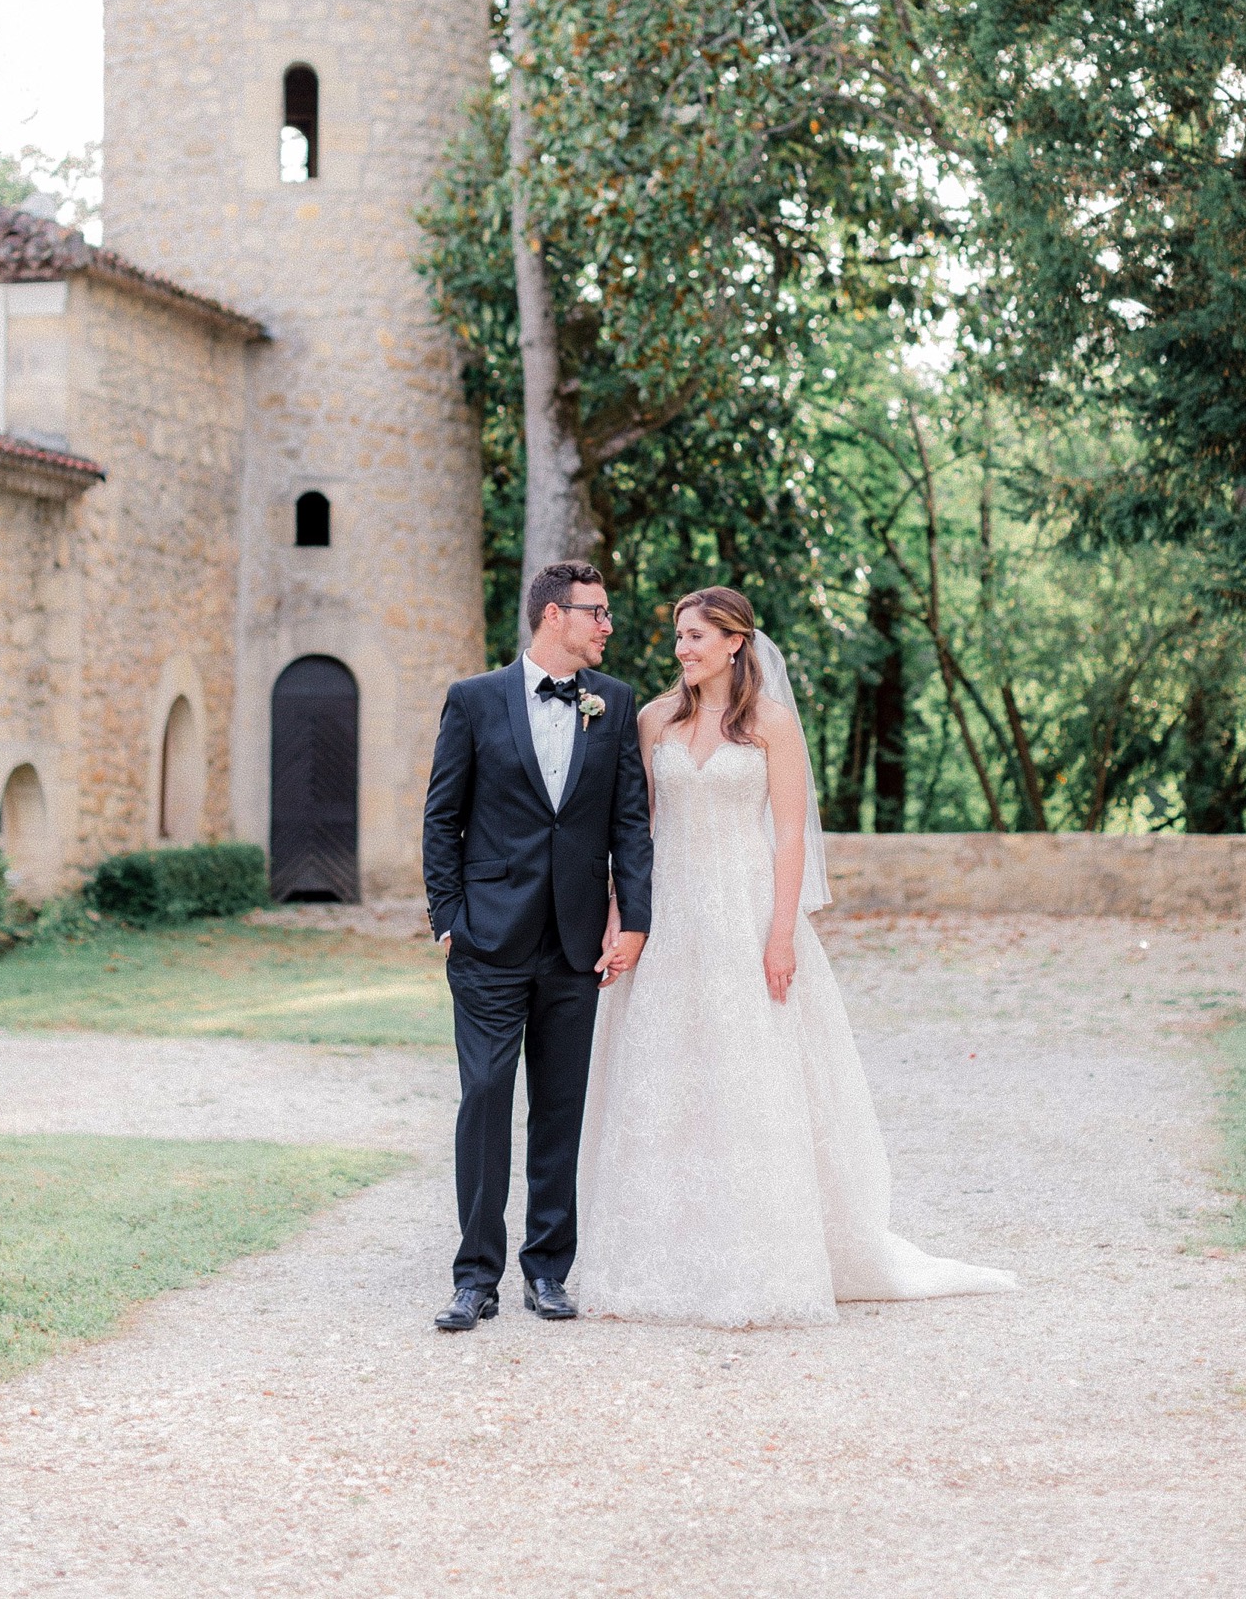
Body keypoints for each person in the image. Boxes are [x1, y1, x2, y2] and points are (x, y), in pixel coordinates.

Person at [571, 586, 1017, 1326]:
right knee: (664, 1075)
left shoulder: (773, 725)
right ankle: (657, 1253)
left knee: (752, 1073)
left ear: (735, 642)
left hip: (746, 913)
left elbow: (787, 837)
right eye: (679, 637)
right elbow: (635, 831)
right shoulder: (654, 720)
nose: (683, 649)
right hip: (671, 916)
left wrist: (780, 934)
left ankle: (759, 1254)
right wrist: (623, 918)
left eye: (696, 637)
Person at [422, 560, 653, 1332]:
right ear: (554, 616)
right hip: (488, 939)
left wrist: (634, 922)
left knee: (559, 1109)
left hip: (576, 945)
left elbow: (629, 824)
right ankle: (474, 1276)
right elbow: (441, 816)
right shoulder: (474, 700)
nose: (607, 626)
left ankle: (548, 1271)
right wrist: (448, 914)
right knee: (485, 1099)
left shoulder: (614, 705)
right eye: (597, 613)